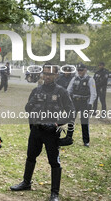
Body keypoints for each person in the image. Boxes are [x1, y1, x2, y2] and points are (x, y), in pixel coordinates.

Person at [10, 63, 74, 201]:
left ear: (56, 75)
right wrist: (33, 125)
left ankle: (54, 193)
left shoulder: (62, 92)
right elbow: (28, 109)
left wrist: (57, 124)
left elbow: (71, 113)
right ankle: (26, 183)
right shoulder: (36, 90)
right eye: (45, 73)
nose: (47, 76)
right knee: (30, 156)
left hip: (52, 132)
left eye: (50, 74)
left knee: (54, 162)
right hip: (36, 131)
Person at [67, 63, 96, 147]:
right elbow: (69, 90)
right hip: (74, 102)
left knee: (84, 122)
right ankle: (68, 138)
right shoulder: (74, 78)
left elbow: (93, 93)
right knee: (71, 120)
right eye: (78, 70)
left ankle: (86, 141)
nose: (79, 72)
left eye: (81, 70)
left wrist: (90, 103)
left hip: (84, 102)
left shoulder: (90, 79)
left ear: (85, 70)